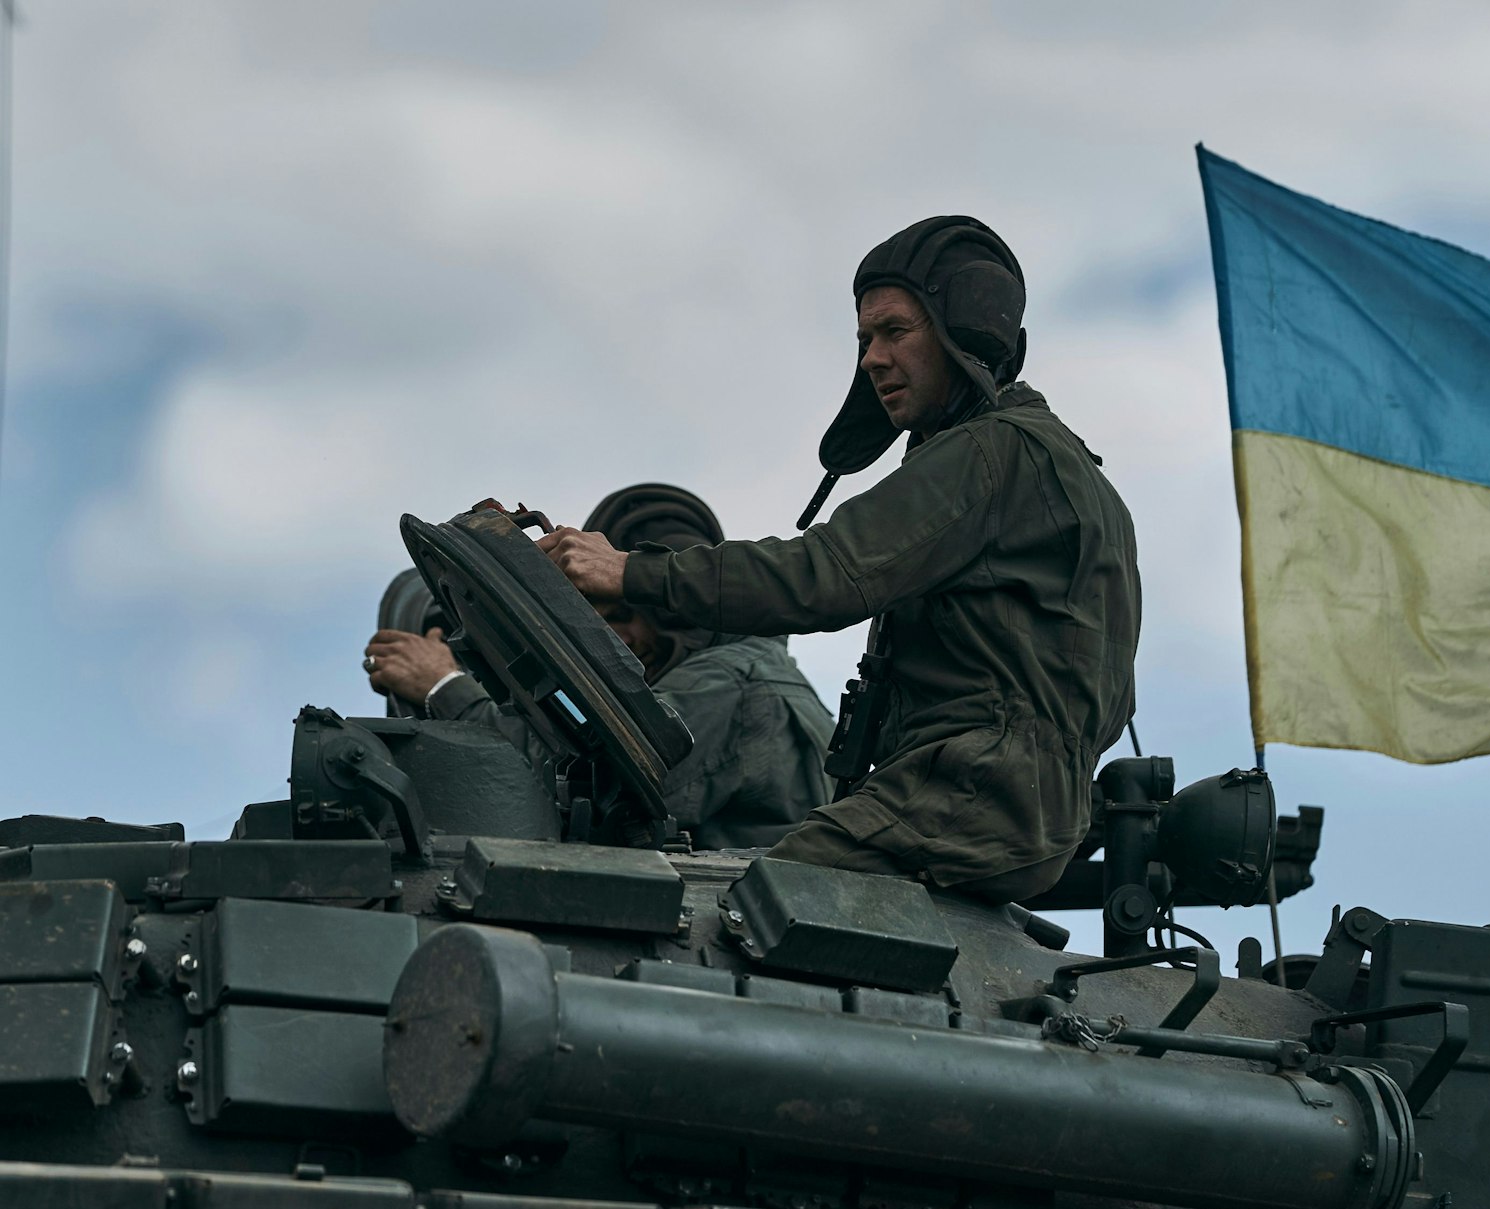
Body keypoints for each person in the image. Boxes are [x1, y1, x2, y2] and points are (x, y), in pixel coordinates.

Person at [537, 217, 1141, 903]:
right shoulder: (1063, 470)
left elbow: (822, 576)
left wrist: (629, 572)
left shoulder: (991, 454)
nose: (872, 360)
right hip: (1010, 801)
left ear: (966, 331)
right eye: (863, 340)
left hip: (970, 791)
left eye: (894, 331)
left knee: (751, 910)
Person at [364, 485, 836, 849]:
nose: (619, 639)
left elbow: (583, 791)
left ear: (674, 614)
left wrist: (446, 687)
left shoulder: (729, 684)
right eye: (602, 621)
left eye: (624, 616)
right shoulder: (741, 669)